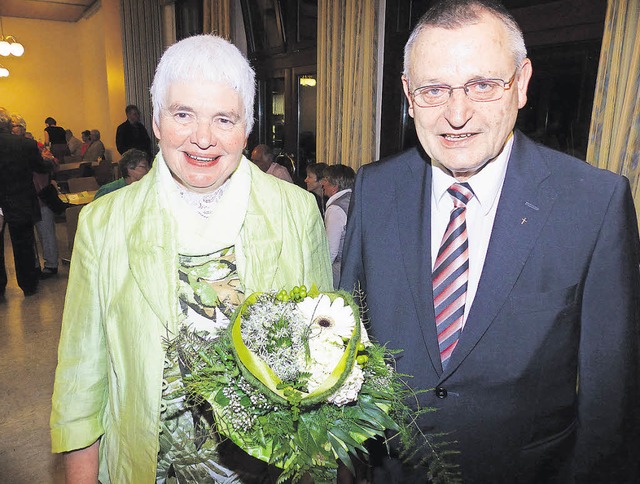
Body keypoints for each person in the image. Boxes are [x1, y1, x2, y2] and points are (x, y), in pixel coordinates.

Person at [339, 1, 640, 483]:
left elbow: (612, 409)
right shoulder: (375, 190)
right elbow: (346, 343)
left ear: (520, 84)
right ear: (408, 95)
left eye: (482, 85)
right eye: (434, 90)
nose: (457, 115)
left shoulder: (593, 204)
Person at [50, 34, 332, 483]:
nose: (203, 138)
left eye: (224, 118)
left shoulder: (296, 212)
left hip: (267, 470)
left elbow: (324, 356)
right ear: (157, 122)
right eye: (184, 114)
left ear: (247, 128)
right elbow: (82, 373)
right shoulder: (105, 222)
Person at [0, 108, 53, 297]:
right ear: (7, 124)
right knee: (23, 244)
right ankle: (28, 285)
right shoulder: (26, 144)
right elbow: (39, 166)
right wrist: (49, 161)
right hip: (19, 198)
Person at [11, 114, 60, 278]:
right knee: (33, 235)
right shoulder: (27, 148)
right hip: (28, 197)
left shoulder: (36, 147)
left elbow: (53, 164)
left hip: (39, 196)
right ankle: (37, 265)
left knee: (45, 233)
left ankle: (51, 265)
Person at [322, 164, 355, 287]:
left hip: (341, 269)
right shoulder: (355, 199)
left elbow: (331, 251)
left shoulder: (336, 209)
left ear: (335, 186)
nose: (322, 183)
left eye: (325, 179)